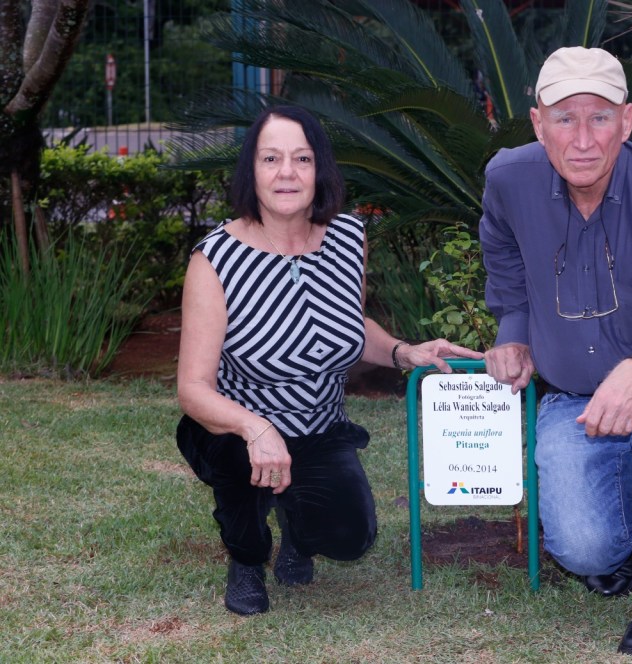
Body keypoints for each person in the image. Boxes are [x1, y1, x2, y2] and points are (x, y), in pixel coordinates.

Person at [176, 105, 482, 616]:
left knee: (350, 539)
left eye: (302, 158)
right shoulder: (216, 259)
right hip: (234, 428)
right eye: (271, 158)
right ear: (251, 170)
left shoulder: (346, 238)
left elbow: (347, 326)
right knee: (242, 489)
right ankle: (247, 558)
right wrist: (255, 430)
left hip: (319, 426)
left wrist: (406, 352)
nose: (287, 172)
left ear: (321, 170)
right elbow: (193, 388)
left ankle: (299, 529)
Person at [479, 47, 632, 656]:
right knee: (583, 550)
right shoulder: (508, 181)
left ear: (628, 120)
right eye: (565, 118)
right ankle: (626, 515)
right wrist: (513, 328)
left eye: (600, 117)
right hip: (572, 396)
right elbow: (506, 262)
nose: (583, 139)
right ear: (538, 124)